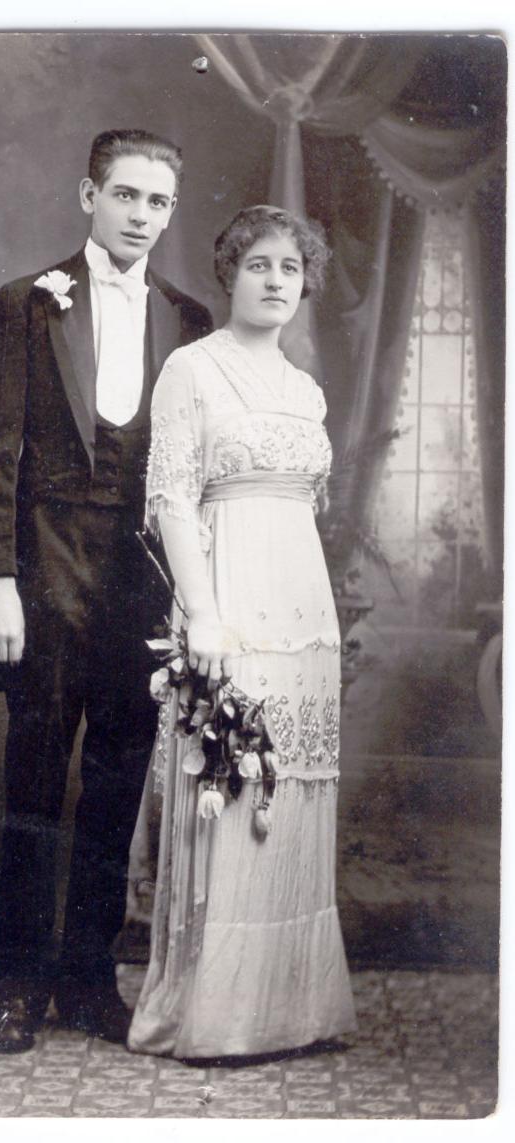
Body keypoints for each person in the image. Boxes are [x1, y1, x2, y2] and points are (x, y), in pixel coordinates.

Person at [0, 128, 212, 1053]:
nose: (140, 216)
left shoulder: (188, 318)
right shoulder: (28, 303)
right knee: (33, 788)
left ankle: (87, 983)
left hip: (136, 590)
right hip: (40, 580)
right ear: (88, 196)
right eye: (126, 196)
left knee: (113, 794)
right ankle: (18, 987)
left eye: (157, 202)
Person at [127, 205, 357, 1059]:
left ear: (305, 284)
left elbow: (302, 510)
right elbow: (171, 500)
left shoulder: (305, 389)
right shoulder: (191, 369)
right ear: (230, 273)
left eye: (289, 269)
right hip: (226, 596)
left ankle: (292, 1006)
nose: (273, 281)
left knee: (289, 793)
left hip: (302, 603)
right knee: (227, 787)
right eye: (257, 264)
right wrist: (204, 610)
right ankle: (214, 1011)